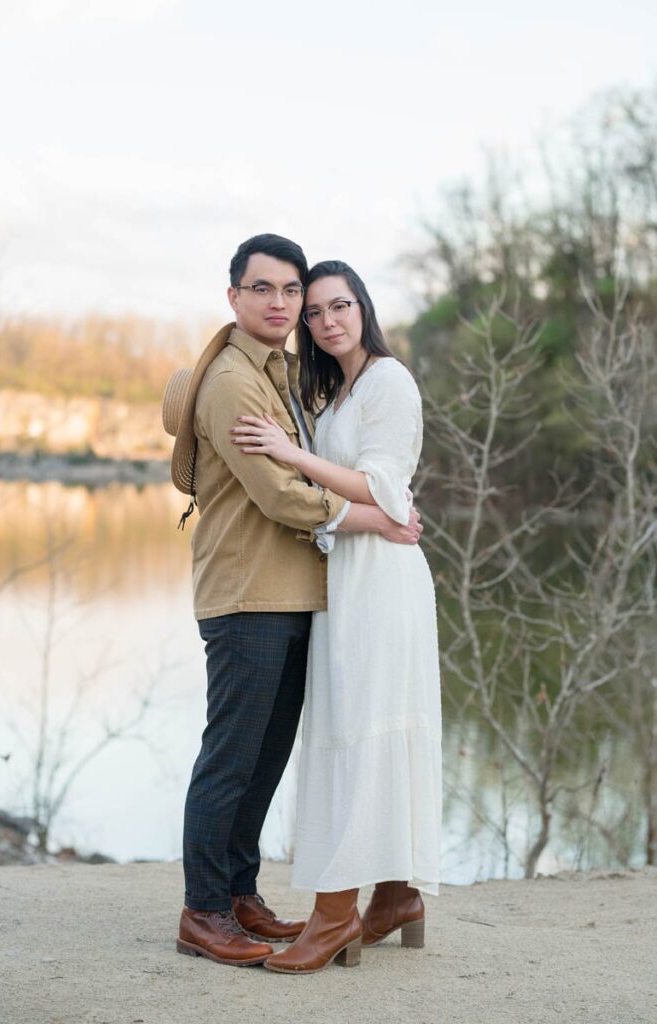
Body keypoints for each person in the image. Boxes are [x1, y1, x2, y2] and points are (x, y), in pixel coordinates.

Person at [162, 236, 423, 968]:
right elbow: (279, 491)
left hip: (293, 593)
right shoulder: (233, 382)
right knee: (230, 759)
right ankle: (204, 911)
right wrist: (377, 517)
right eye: (264, 290)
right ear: (234, 297)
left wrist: (380, 501)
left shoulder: (281, 373)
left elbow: (355, 463)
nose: (280, 305)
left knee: (263, 760)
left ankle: (240, 895)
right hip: (246, 594)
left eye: (291, 293)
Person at [231, 259, 442, 974]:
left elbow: (382, 489)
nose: (326, 320)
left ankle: (334, 917)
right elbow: (357, 500)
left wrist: (291, 453)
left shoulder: (388, 380)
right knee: (351, 728)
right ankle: (393, 898)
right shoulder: (334, 392)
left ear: (363, 308)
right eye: (315, 311)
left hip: (382, 581)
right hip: (344, 575)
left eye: (338, 305)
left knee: (363, 729)